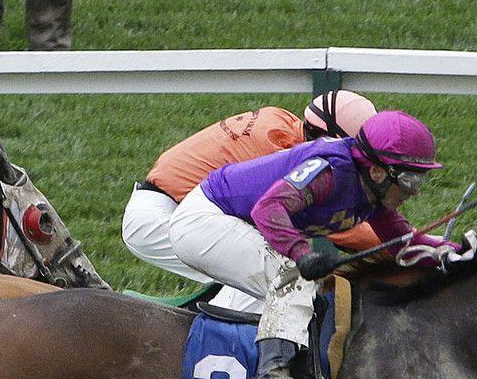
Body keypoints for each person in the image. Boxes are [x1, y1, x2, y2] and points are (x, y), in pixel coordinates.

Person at [159, 111, 466, 379]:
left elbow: (404, 245)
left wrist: (454, 253)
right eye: (411, 179)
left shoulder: (373, 193)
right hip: (203, 221)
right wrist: (301, 254)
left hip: (236, 226)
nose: (415, 192)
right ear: (377, 171)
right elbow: (268, 209)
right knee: (292, 278)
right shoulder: (330, 171)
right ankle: (271, 375)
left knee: (304, 288)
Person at [121, 91, 384, 282]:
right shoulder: (283, 151)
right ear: (329, 138)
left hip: (169, 206)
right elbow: (342, 229)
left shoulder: (280, 119)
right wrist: (409, 245)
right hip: (161, 218)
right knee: (278, 278)